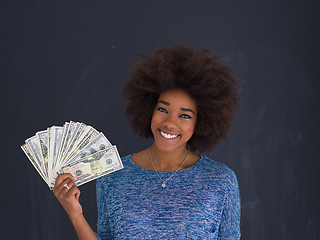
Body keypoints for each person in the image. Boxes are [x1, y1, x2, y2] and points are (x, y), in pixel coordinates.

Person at [53, 44, 241, 240]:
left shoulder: (221, 181)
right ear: (149, 108)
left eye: (184, 116)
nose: (169, 123)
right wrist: (75, 215)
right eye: (162, 109)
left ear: (201, 122)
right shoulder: (113, 177)